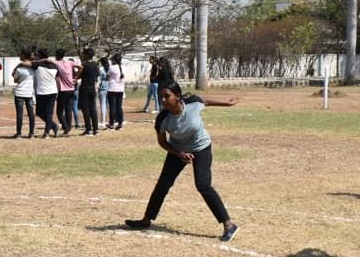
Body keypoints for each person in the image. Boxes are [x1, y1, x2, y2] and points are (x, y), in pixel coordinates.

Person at [124, 83, 240, 240]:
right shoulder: (162, 118)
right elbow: (163, 142)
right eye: (161, 97)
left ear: (177, 96)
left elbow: (206, 101)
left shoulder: (192, 103)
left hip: (201, 147)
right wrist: (179, 154)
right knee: (163, 184)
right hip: (178, 150)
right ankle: (146, 220)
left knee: (203, 185)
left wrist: (228, 103)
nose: (163, 100)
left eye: (167, 96)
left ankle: (229, 225)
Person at [33, 50, 59, 137]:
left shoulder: (38, 65)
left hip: (44, 91)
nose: (36, 57)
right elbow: (57, 78)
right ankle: (53, 126)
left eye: (37, 55)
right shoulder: (54, 66)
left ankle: (47, 132)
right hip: (50, 91)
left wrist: (42, 60)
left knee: (47, 113)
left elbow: (30, 62)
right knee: (40, 112)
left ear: (40, 56)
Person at [11, 51, 36, 139]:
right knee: (31, 114)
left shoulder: (19, 69)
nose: (19, 56)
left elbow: (15, 78)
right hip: (29, 93)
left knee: (20, 114)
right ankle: (32, 134)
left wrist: (17, 78)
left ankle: (19, 134)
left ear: (24, 56)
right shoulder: (34, 68)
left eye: (21, 54)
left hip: (20, 93)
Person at [77, 48, 100, 136]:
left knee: (85, 109)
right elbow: (97, 75)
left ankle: (88, 129)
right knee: (93, 109)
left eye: (84, 54)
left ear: (86, 55)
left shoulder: (84, 65)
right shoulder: (95, 65)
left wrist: (75, 77)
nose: (83, 55)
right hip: (92, 88)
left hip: (85, 88)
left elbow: (79, 76)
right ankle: (96, 129)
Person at [55, 49, 76, 136]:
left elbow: (47, 61)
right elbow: (81, 67)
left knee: (59, 111)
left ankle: (66, 128)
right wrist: (76, 78)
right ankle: (68, 127)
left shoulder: (57, 63)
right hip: (71, 89)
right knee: (68, 110)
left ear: (57, 55)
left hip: (63, 90)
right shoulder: (69, 62)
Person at [106, 54, 126, 129]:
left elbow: (107, 77)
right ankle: (120, 123)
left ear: (114, 60)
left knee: (112, 107)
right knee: (119, 107)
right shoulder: (124, 67)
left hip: (112, 89)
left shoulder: (111, 67)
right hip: (120, 89)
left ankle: (111, 123)